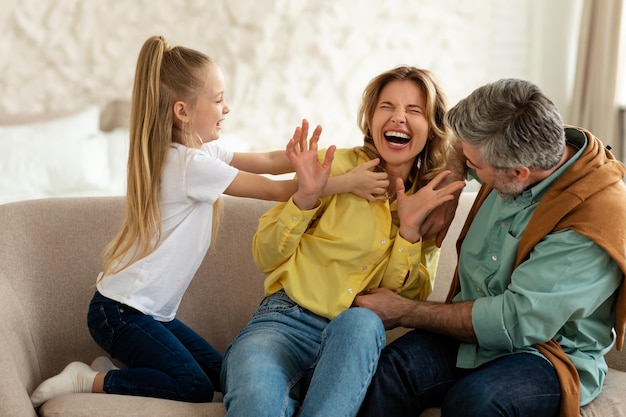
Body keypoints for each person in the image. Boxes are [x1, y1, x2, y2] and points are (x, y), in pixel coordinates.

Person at [28, 35, 386, 408]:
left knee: (225, 373)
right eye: (218, 100)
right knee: (193, 387)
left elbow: (266, 160)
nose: (226, 108)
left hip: (149, 314)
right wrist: (346, 182)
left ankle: (112, 370)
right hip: (120, 312)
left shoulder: (202, 151)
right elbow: (272, 189)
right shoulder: (189, 165)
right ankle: (89, 380)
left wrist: (316, 156)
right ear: (182, 112)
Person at [354, 78, 626, 417]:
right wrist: (453, 181)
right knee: (390, 371)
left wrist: (404, 310)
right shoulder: (526, 135)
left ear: (519, 172)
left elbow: (513, 321)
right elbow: (459, 141)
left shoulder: (594, 218)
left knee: (476, 401)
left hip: (546, 352)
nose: (470, 171)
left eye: (474, 167)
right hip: (472, 336)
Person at [220, 66, 466, 417]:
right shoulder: (333, 168)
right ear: (370, 117)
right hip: (283, 323)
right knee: (255, 404)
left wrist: (409, 232)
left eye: (414, 111)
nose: (398, 118)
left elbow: (405, 304)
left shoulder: (430, 199)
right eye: (387, 107)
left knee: (362, 321)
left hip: (353, 343)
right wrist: (304, 198)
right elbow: (265, 255)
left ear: (431, 129)